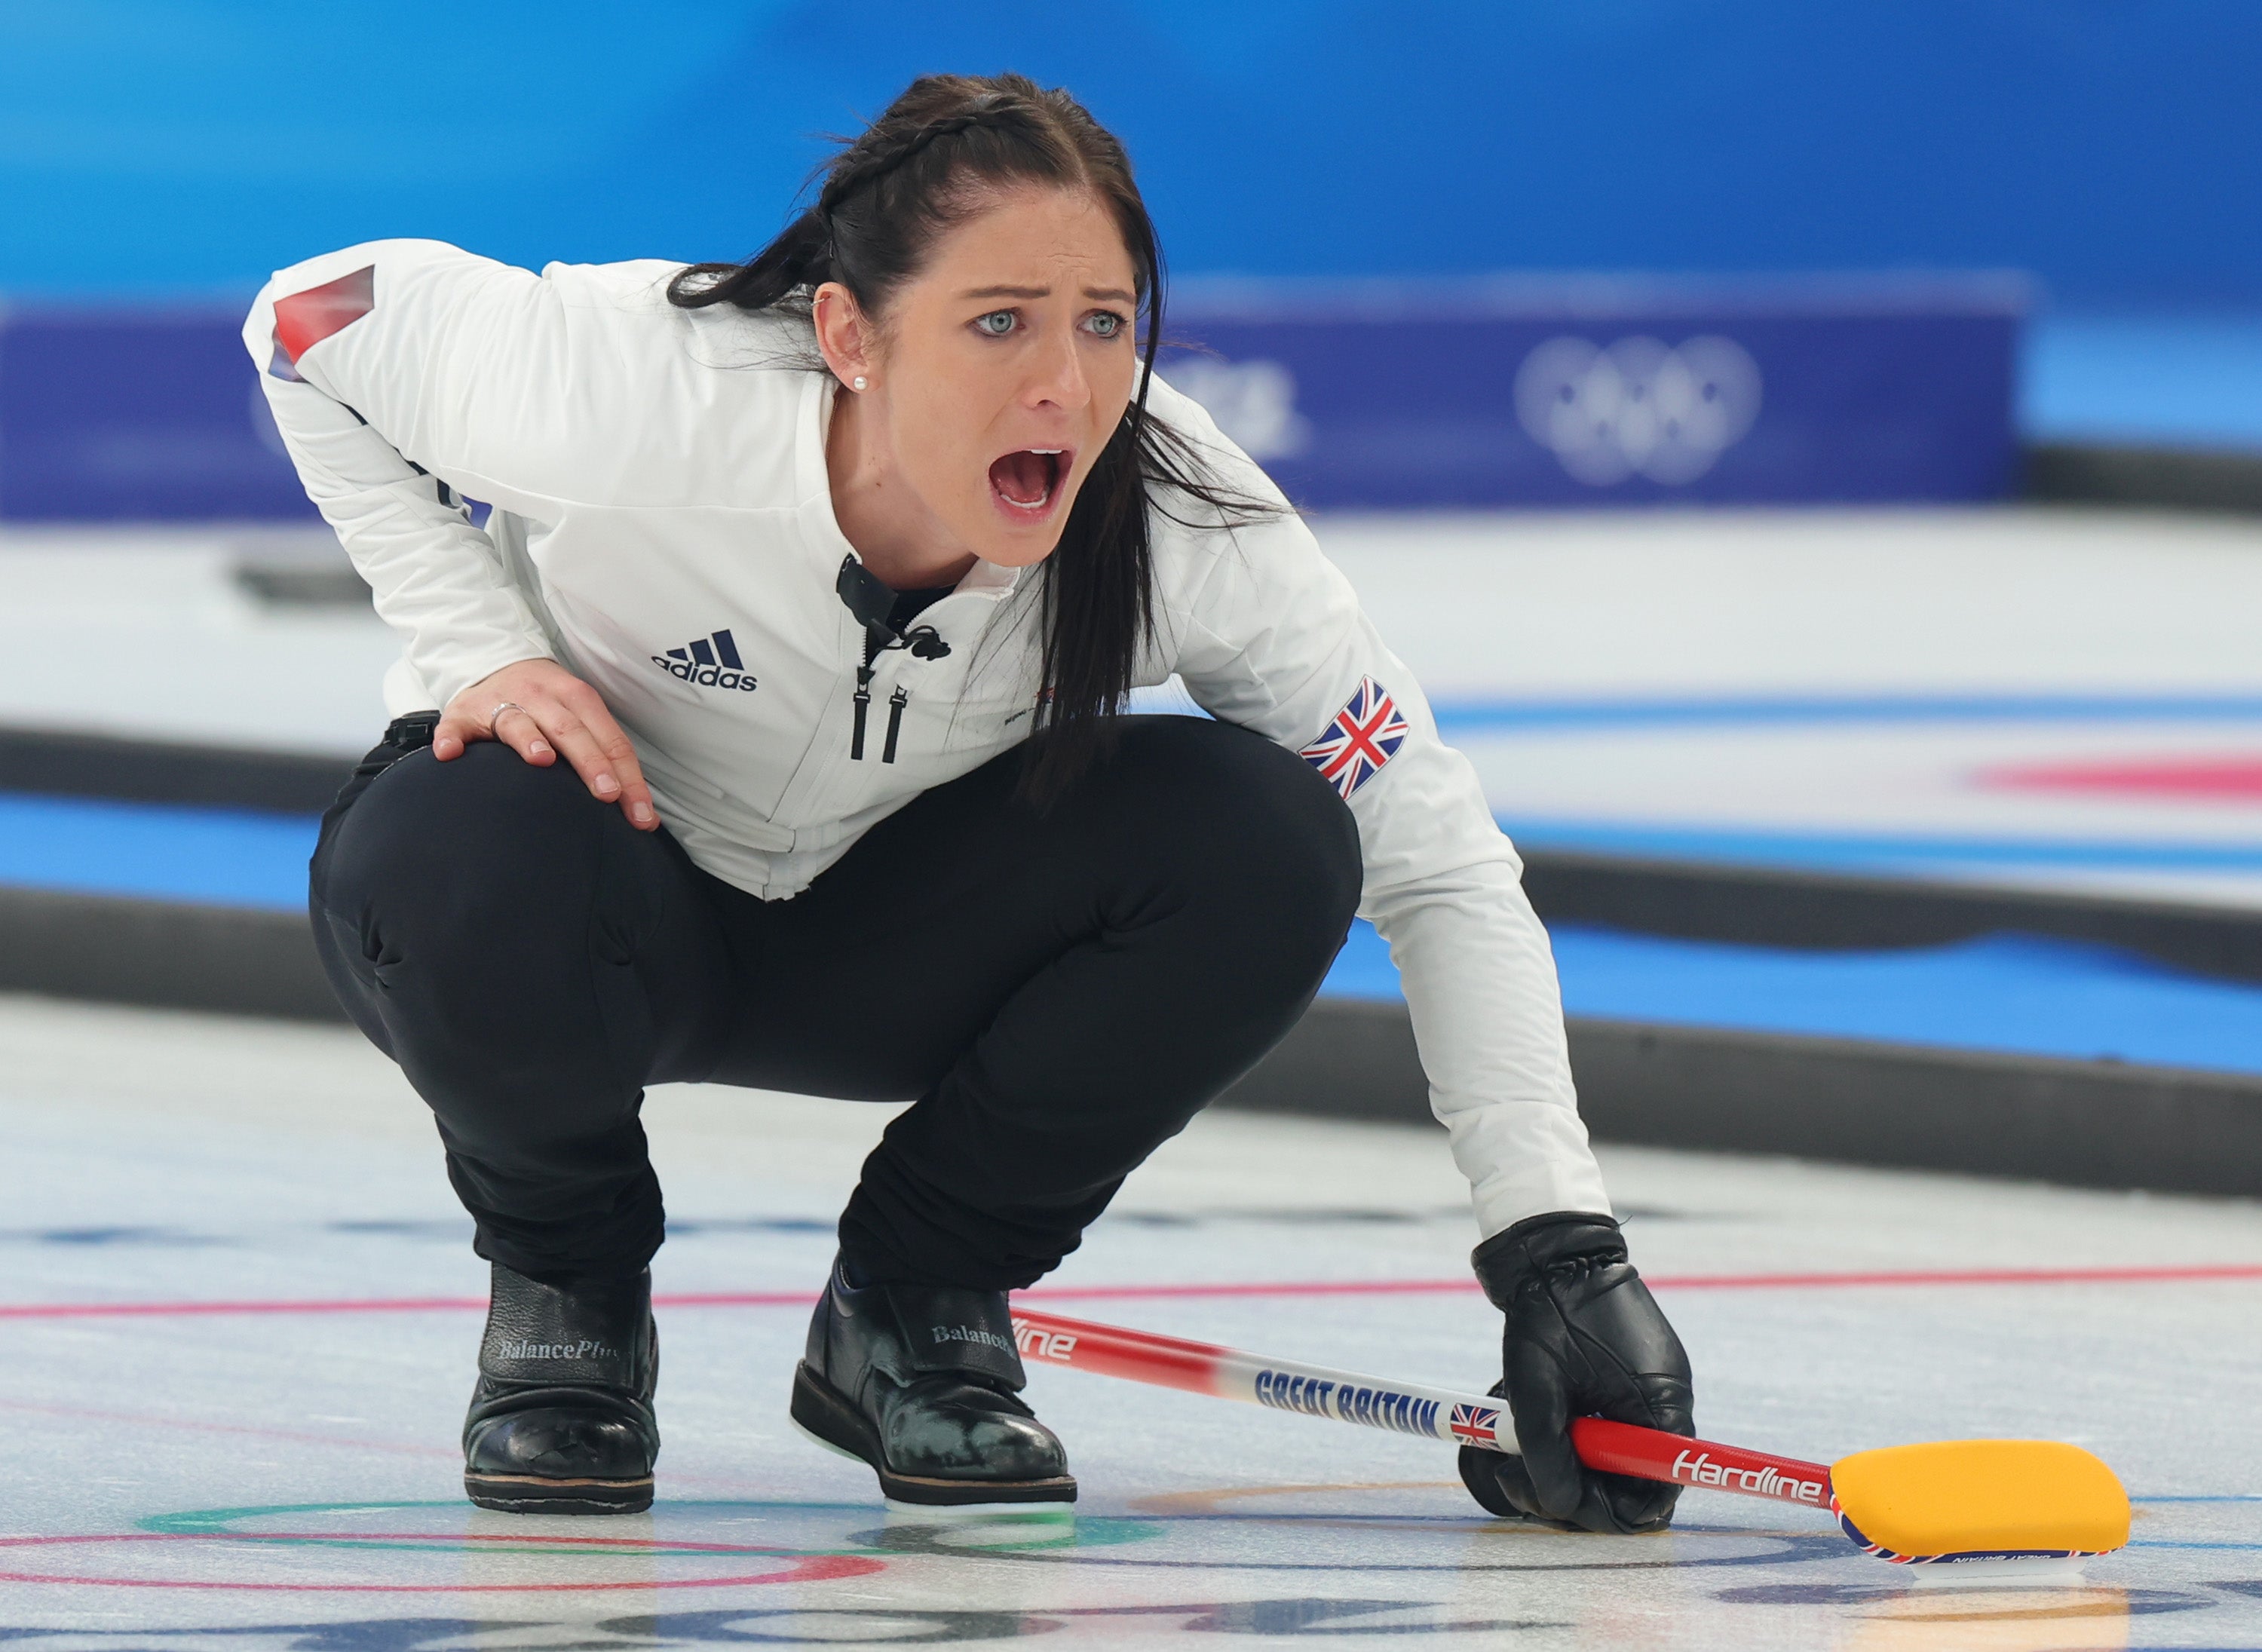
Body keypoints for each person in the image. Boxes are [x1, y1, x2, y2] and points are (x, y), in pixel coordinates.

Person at [245, 71, 1692, 1526]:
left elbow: (1436, 862)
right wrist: (476, 645)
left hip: (887, 945)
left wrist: (1560, 1258)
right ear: (847, 332)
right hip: (592, 905)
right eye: (998, 321)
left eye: (1105, 323)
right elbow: (300, 325)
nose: (1064, 385)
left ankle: (914, 1302)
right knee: (458, 834)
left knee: (1273, 833)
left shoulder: (1189, 521)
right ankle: (567, 1284)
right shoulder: (635, 386)